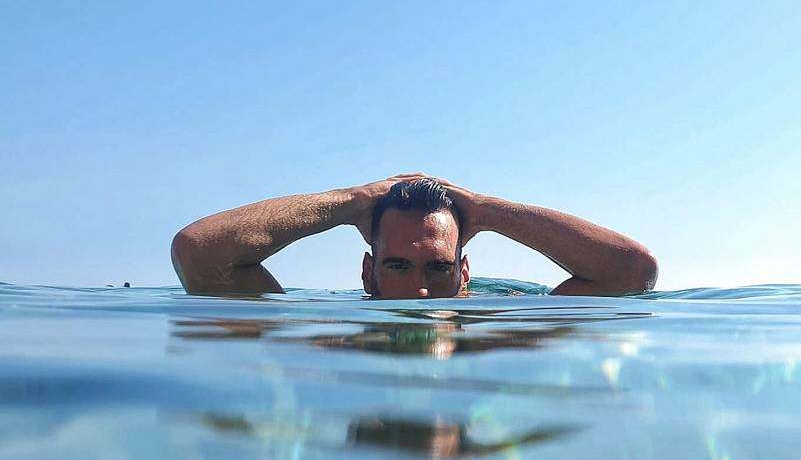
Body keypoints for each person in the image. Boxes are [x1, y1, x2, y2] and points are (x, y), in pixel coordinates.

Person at [171, 173, 657, 297]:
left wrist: (486, 212)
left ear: (464, 272)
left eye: (438, 268)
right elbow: (198, 254)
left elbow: (634, 272)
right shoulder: (340, 347)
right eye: (398, 266)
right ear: (368, 273)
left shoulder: (492, 340)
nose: (421, 291)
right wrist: (352, 202)